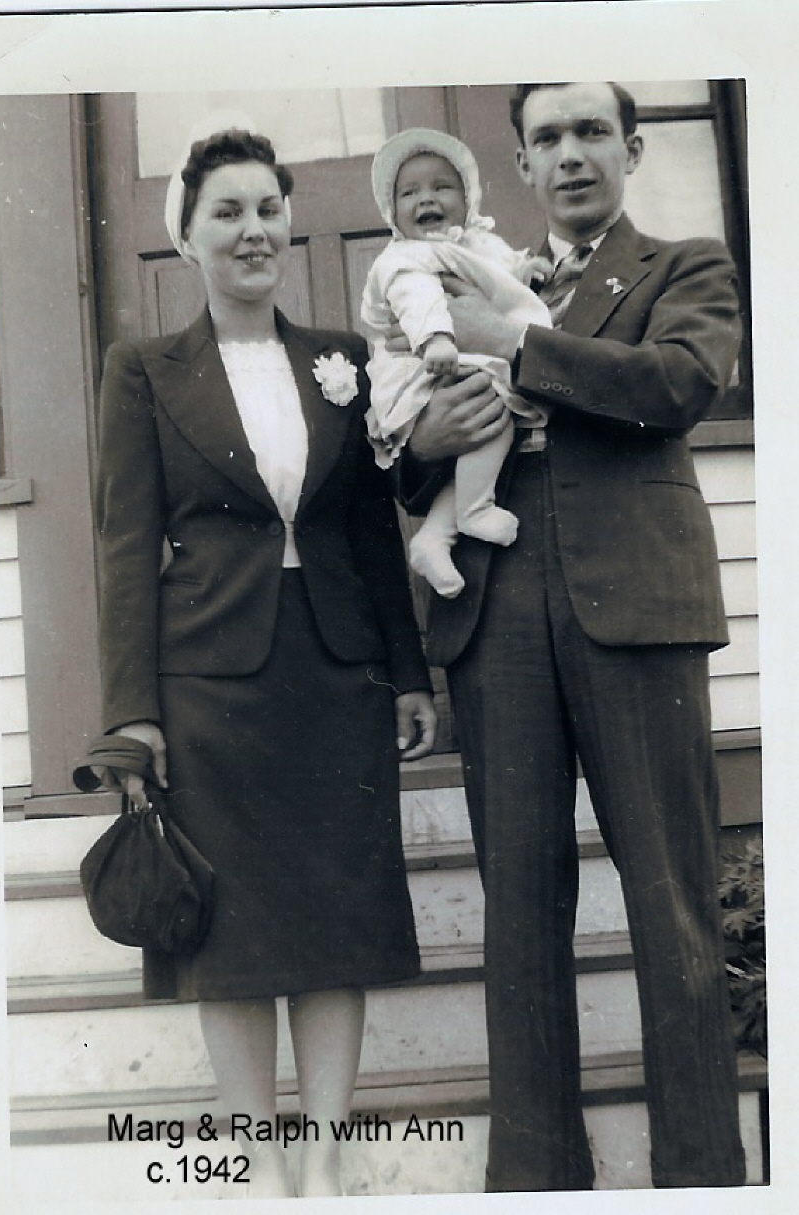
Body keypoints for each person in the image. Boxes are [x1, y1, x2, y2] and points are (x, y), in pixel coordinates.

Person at [397, 82, 747, 1191]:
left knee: (672, 902)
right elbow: (415, 450)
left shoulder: (683, 265)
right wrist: (431, 435)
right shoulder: (471, 269)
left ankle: (699, 1178)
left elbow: (682, 383)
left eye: (591, 132)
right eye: (546, 138)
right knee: (519, 912)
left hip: (637, 612)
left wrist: (522, 345)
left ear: (631, 148)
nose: (571, 155)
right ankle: (538, 1182)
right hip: (496, 609)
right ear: (523, 164)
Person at [95, 128, 436, 1199]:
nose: (254, 229)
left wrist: (411, 672)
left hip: (337, 674)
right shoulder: (145, 370)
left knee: (338, 920)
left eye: (267, 208)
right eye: (227, 212)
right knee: (227, 929)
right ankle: (257, 1169)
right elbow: (120, 543)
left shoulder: (340, 359)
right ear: (188, 238)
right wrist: (132, 712)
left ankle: (326, 1166)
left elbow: (372, 530)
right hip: (208, 686)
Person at [361, 128, 551, 599]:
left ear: (469, 199)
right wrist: (437, 337)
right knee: (492, 405)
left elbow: (497, 272)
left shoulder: (475, 245)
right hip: (423, 366)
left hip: (458, 360)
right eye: (410, 192)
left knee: (487, 421)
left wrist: (523, 270)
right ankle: (473, 511)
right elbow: (416, 295)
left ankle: (435, 535)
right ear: (393, 212)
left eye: (442, 186)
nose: (427, 198)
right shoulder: (404, 257)